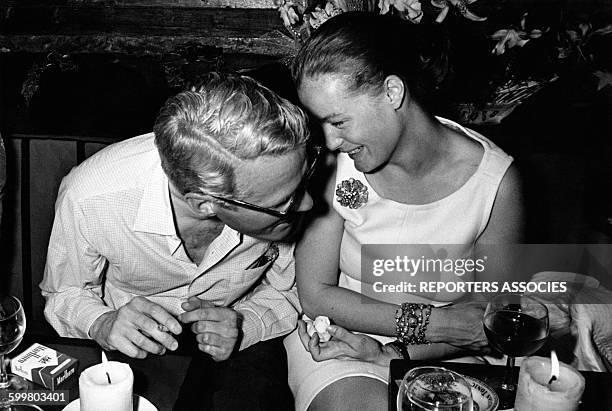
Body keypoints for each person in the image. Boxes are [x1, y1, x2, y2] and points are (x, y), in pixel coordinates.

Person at [284, 12, 525, 411]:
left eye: (338, 120)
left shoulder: (499, 183)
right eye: (319, 123)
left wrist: (401, 351)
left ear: (393, 92)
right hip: (338, 340)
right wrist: (436, 322)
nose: (328, 140)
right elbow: (316, 294)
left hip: (442, 353)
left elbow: (484, 318)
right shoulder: (332, 167)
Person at [40, 72, 317, 410]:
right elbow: (64, 294)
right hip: (127, 352)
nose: (308, 205)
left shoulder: (276, 182)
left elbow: (292, 290)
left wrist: (247, 323)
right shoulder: (90, 196)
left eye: (303, 182)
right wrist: (101, 322)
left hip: (243, 348)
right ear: (205, 203)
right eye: (282, 204)